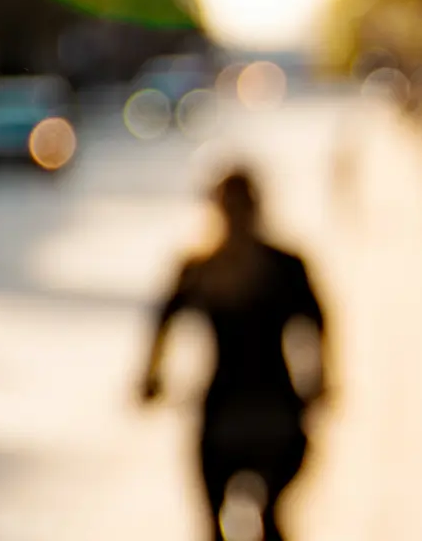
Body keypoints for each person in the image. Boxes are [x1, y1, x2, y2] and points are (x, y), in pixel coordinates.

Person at [140, 169, 327, 541]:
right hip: (274, 408)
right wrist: (320, 379)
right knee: (270, 516)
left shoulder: (204, 270)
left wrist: (151, 377)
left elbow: (164, 323)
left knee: (222, 521)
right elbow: (318, 323)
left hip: (233, 410)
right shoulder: (281, 265)